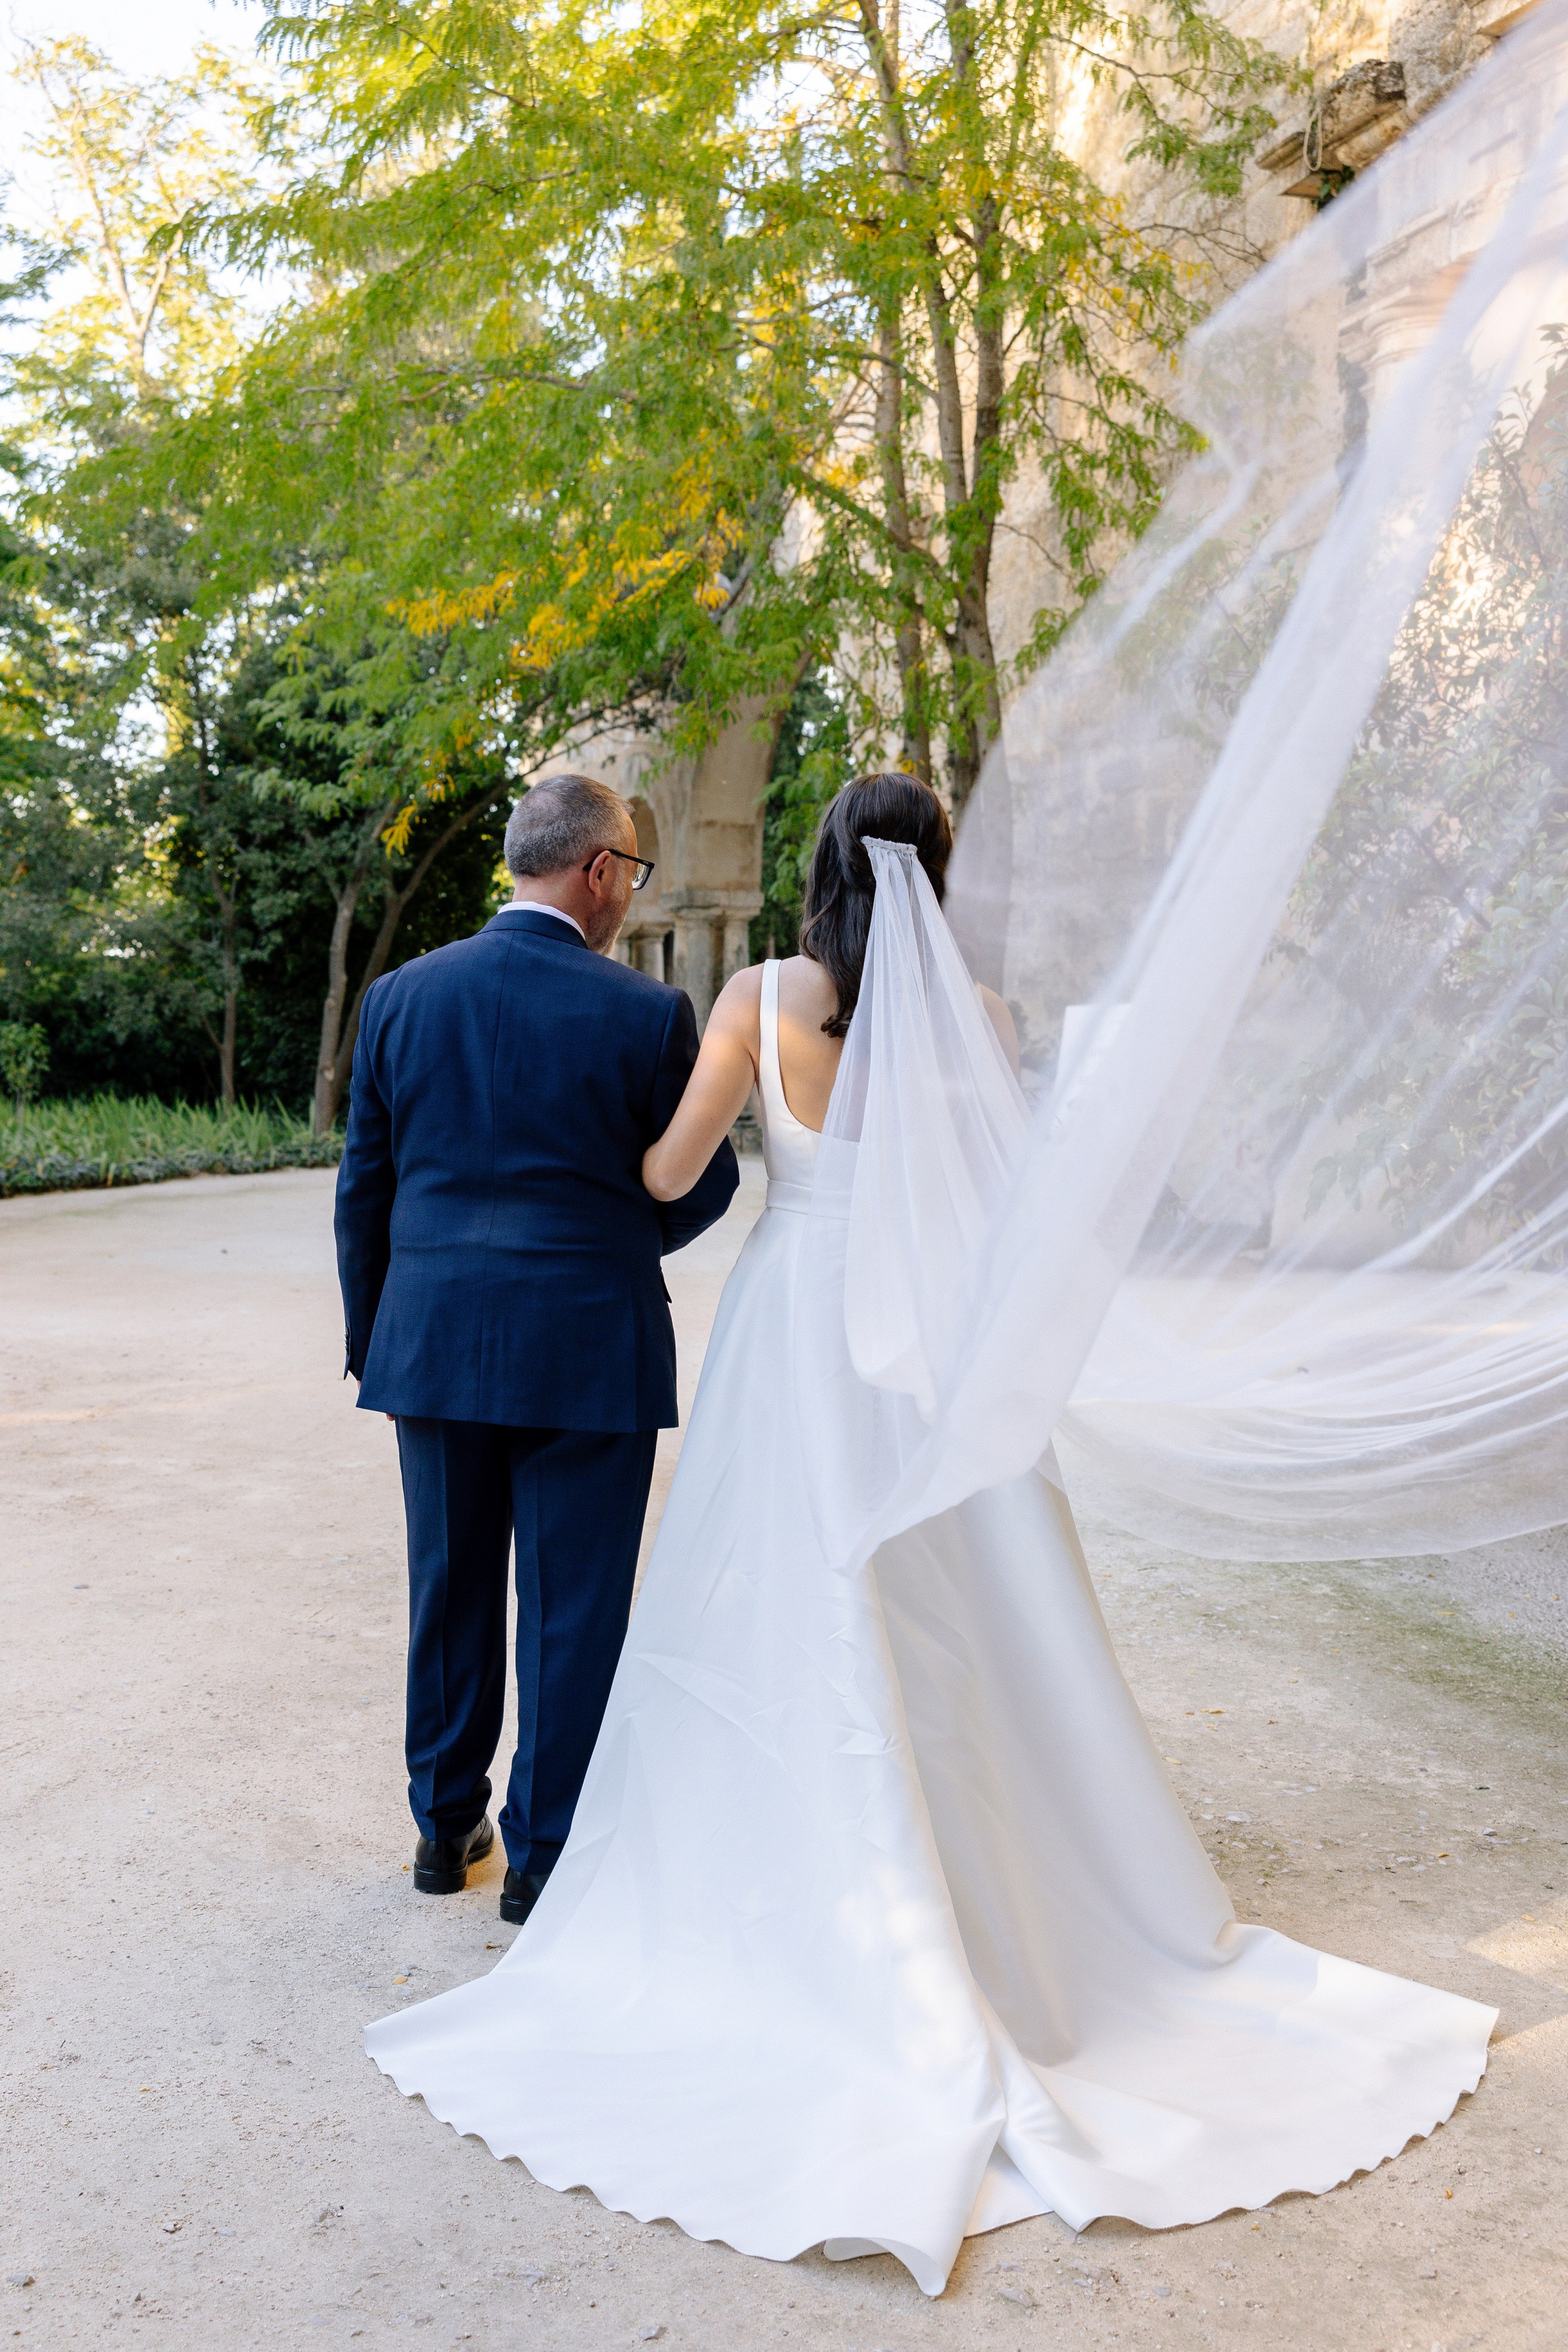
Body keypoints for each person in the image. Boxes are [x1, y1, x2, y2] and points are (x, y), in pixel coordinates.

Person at [363, 772, 1493, 2296]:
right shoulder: (978, 1015)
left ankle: (547, 1844)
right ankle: (940, 1886)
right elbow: (1001, 1196)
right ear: (934, 875)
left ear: (821, 864)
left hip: (768, 1329)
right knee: (932, 1611)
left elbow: (665, 1172)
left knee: (732, 1607)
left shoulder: (752, 998)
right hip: (917, 1350)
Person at [334, 772, 739, 1926]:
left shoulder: (403, 998)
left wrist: (381, 1340)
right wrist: (612, 1241)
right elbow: (700, 1182)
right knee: (574, 1607)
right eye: (632, 876)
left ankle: (439, 1823)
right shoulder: (646, 1014)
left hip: (436, 1347)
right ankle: (544, 1859)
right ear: (601, 871)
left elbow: (365, 1190)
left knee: (449, 1588)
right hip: (589, 1348)